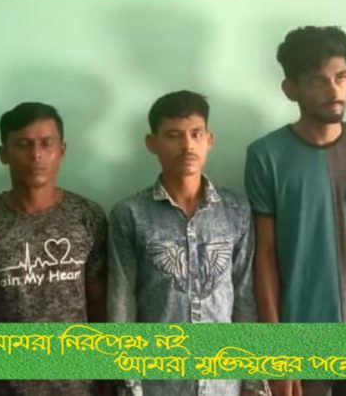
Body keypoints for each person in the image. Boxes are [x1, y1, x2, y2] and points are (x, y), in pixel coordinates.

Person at [245, 26, 346, 396]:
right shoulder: (267, 155)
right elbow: (264, 253)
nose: (334, 91)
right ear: (291, 88)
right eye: (318, 81)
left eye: (340, 77)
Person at [108, 90, 266, 396]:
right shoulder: (130, 214)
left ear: (209, 139)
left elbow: (245, 296)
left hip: (224, 384)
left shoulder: (236, 210)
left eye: (196, 134)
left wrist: (253, 381)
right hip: (158, 384)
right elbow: (121, 303)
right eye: (173, 135)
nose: (187, 145)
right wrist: (129, 384)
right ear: (152, 143)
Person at [0, 102, 108, 396]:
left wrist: (107, 379)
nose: (36, 154)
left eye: (46, 143)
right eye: (23, 145)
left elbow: (99, 304)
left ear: (62, 150)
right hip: (3, 387)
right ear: (3, 154)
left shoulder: (88, 216)